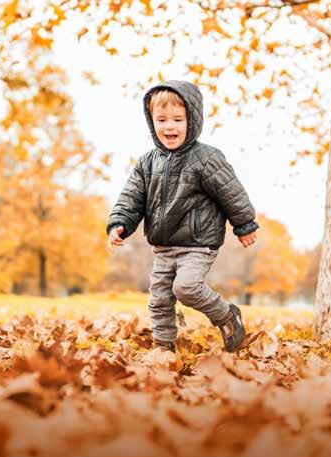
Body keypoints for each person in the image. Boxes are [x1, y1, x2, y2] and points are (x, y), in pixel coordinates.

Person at [106, 80, 259, 353]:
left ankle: (226, 315)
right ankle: (164, 347)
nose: (169, 126)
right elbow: (131, 197)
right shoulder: (147, 163)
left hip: (198, 244)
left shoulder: (206, 158)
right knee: (159, 299)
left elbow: (231, 191)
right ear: (151, 121)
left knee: (186, 287)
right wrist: (119, 223)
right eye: (161, 119)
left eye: (178, 119)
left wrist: (244, 224)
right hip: (164, 246)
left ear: (193, 119)